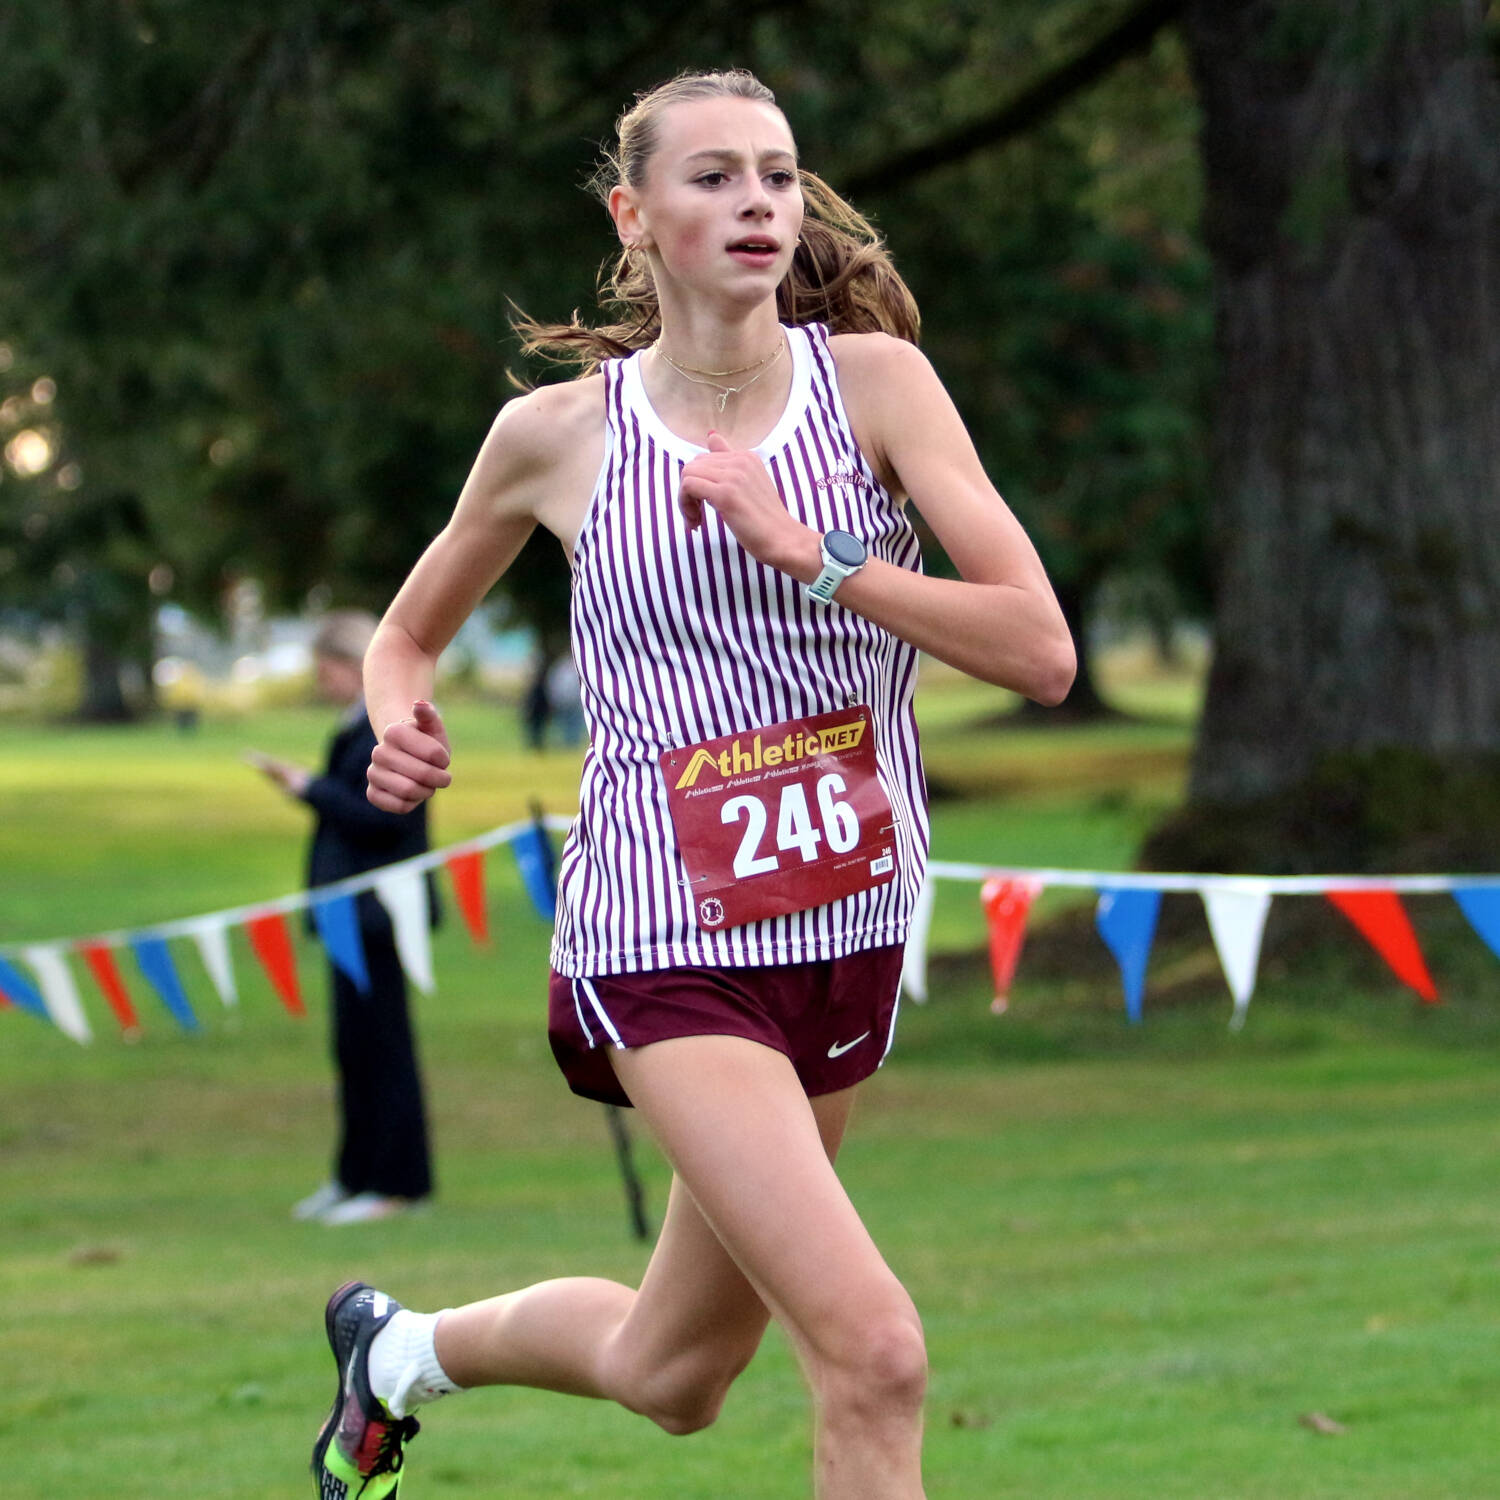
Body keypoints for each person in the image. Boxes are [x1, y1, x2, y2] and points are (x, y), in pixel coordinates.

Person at [311, 69, 1073, 1500]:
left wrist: (821, 558)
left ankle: (397, 1354)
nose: (758, 205)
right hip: (667, 944)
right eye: (714, 177)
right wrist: (398, 716)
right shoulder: (557, 438)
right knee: (875, 1353)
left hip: (842, 927)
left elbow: (1037, 647)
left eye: (778, 177)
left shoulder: (878, 388)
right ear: (636, 214)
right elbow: (408, 636)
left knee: (677, 1376)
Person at [248, 609, 436, 1227]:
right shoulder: (350, 725)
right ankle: (353, 1174)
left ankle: (396, 1183)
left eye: (326, 668)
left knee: (384, 1048)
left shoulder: (392, 728)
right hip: (341, 912)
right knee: (352, 1049)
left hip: (379, 914)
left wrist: (306, 787)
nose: (321, 681)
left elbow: (385, 818)